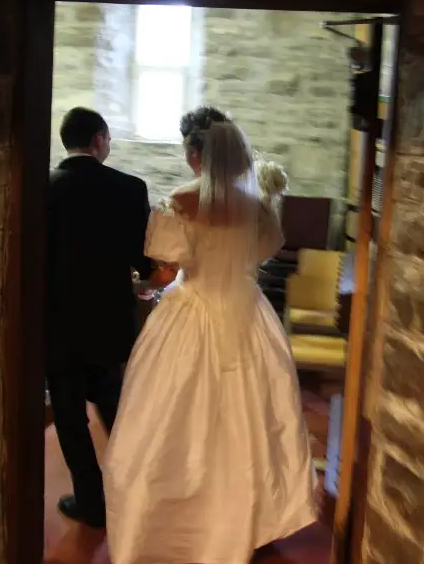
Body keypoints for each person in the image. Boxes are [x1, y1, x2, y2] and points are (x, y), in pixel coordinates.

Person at [103, 107, 318, 564]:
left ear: (197, 156)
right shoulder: (256, 208)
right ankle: (242, 518)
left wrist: (147, 282)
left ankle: (170, 521)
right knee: (247, 419)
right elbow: (259, 253)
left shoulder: (180, 201)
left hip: (191, 311)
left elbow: (168, 267)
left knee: (172, 419)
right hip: (246, 312)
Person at [46, 107, 153, 529]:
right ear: (100, 139)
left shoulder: (45, 188)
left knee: (70, 420)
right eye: (107, 139)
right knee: (118, 411)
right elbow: (142, 261)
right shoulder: (129, 188)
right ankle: (138, 489)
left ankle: (91, 502)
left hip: (58, 326)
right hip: (108, 324)